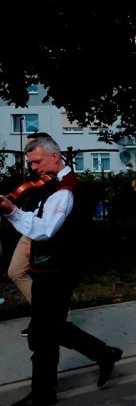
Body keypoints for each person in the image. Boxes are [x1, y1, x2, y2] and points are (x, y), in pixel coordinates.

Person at [1, 134, 123, 406]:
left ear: (54, 157)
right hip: (50, 267)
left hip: (59, 269)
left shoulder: (65, 191)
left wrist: (12, 213)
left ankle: (43, 392)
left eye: (36, 161)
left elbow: (46, 229)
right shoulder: (53, 184)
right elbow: (40, 219)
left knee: (43, 333)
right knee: (50, 327)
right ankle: (104, 354)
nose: (32, 167)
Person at [8, 131, 55, 337]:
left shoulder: (54, 178)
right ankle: (46, 315)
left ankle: (47, 317)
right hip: (30, 225)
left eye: (32, 147)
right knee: (17, 272)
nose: (30, 159)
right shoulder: (36, 174)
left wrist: (33, 242)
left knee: (20, 271)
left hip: (40, 230)